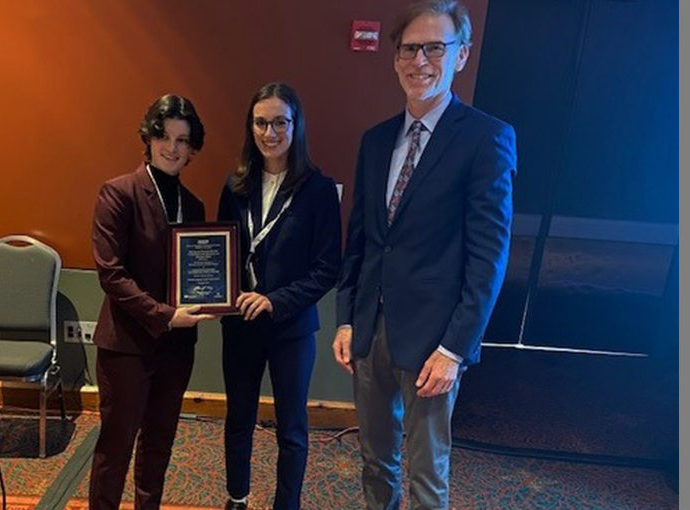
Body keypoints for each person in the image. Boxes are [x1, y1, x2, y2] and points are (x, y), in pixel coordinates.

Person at [332, 1, 518, 508]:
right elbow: (362, 242)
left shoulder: (486, 139)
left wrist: (456, 350)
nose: (420, 61)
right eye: (410, 48)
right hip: (371, 330)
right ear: (395, 58)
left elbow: (489, 259)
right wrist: (347, 319)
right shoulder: (375, 141)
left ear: (460, 56)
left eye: (435, 47)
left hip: (435, 343)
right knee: (375, 461)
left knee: (427, 472)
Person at [217, 82, 342, 510]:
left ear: (296, 125)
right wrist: (220, 293)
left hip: (291, 327)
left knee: (292, 427)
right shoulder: (234, 187)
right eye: (261, 123)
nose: (270, 132)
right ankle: (237, 497)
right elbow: (221, 254)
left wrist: (275, 300)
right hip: (241, 325)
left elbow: (328, 268)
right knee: (238, 420)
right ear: (250, 127)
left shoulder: (318, 190)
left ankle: (286, 504)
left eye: (280, 122)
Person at [89, 94, 216, 510]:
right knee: (116, 449)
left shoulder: (193, 205)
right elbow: (111, 274)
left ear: (192, 148)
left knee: (159, 445)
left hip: (177, 350)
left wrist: (214, 297)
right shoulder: (118, 193)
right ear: (148, 137)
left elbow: (200, 272)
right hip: (127, 345)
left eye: (182, 140)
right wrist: (164, 315)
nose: (172, 148)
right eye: (163, 136)